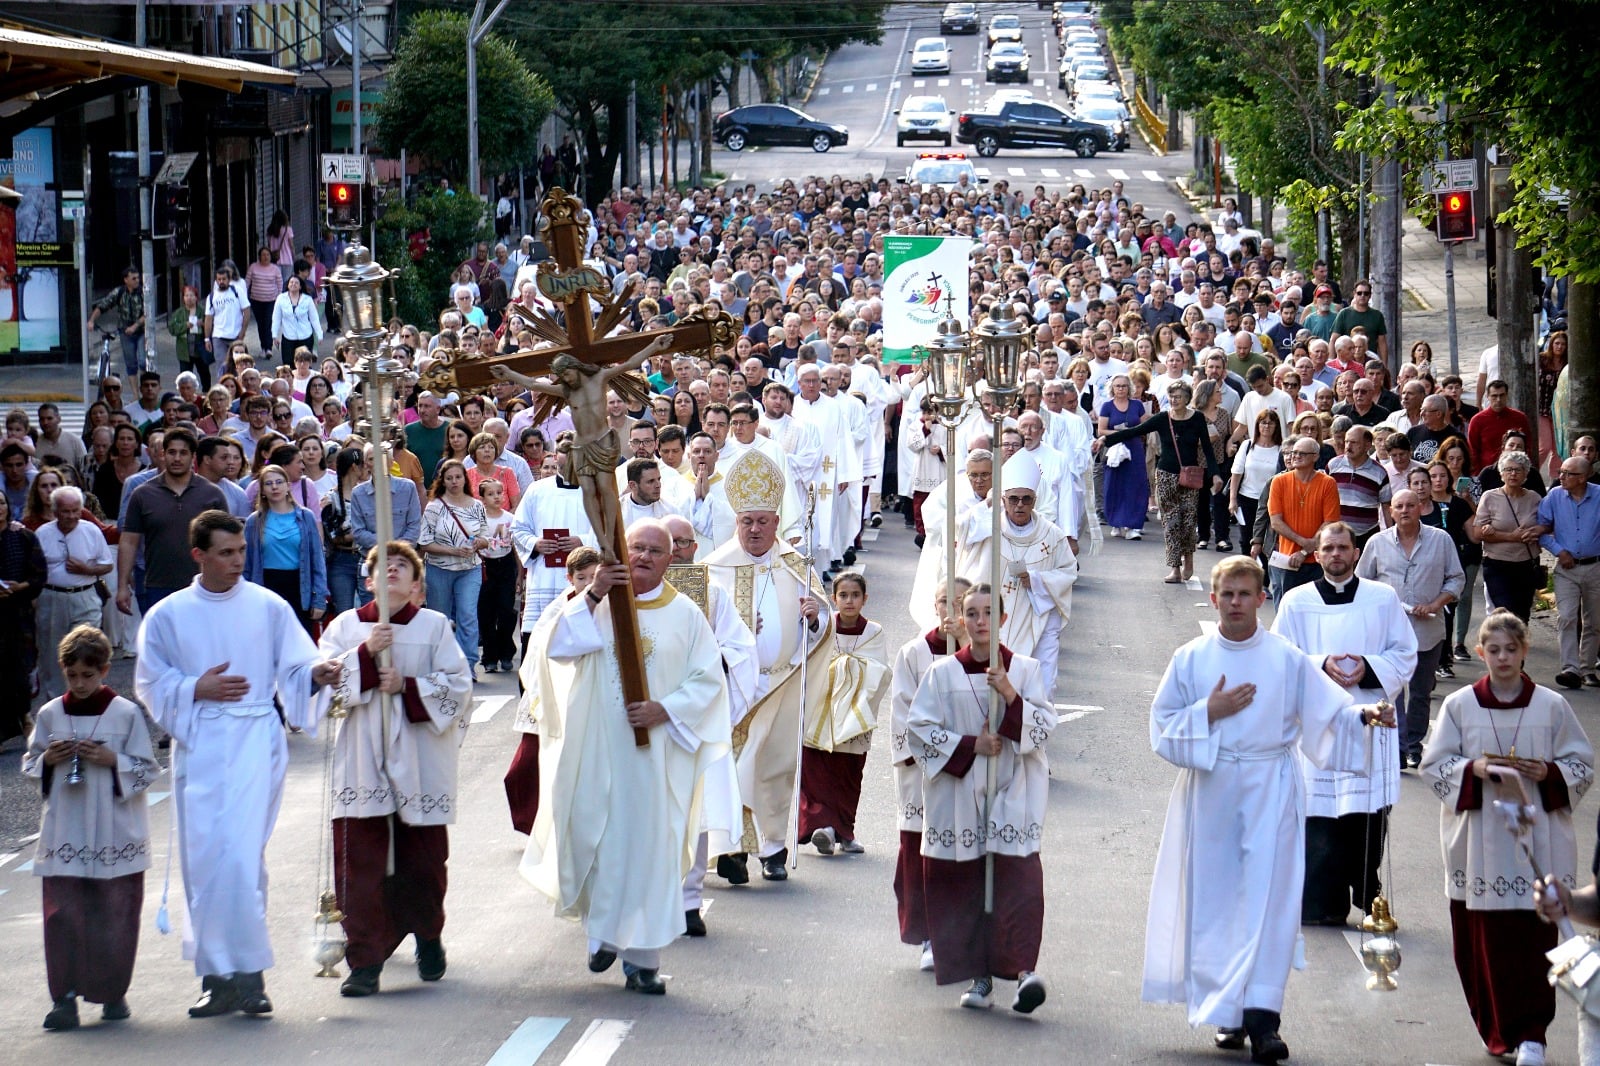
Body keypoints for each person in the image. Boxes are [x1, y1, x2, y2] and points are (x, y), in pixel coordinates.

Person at [1143, 556, 1396, 1063]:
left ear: (1263, 599)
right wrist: (1206, 713)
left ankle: (1264, 1020)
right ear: (1213, 600)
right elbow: (1161, 727)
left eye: (1245, 594)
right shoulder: (1190, 658)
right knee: (1217, 902)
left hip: (1272, 789)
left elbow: (1328, 710)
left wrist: (1363, 714)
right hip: (1212, 791)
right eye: (1227, 595)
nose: (1236, 603)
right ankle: (1227, 1015)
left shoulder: (1285, 658)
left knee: (1271, 903)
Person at [134, 510, 342, 1018]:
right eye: (225, 553)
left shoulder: (267, 605)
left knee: (242, 857)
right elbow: (148, 681)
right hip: (201, 742)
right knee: (204, 860)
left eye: (241, 552)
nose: (236, 562)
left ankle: (251, 978)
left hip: (253, 738)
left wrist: (317, 673)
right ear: (198, 556)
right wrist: (192, 687)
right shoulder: (168, 614)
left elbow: (295, 666)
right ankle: (214, 980)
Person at [520, 519, 731, 994]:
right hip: (597, 745)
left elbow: (708, 681)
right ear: (622, 550)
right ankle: (602, 933)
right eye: (636, 547)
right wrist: (593, 594)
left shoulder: (686, 615)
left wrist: (665, 709)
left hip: (654, 756)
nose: (644, 557)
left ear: (669, 559)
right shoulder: (595, 604)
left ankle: (643, 959)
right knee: (596, 837)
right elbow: (553, 650)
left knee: (648, 848)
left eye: (655, 551)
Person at [1420, 609, 1594, 1066]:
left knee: (1533, 941)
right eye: (1493, 650)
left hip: (1538, 841)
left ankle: (1532, 1034)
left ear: (1523, 653)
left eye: (1511, 649)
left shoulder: (1552, 706)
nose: (1502, 657)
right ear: (1480, 653)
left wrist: (1549, 771)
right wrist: (1473, 769)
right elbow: (1433, 766)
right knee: (1480, 943)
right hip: (1478, 842)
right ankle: (1495, 1026)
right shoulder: (1459, 706)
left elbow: (1582, 766)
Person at [318, 542, 473, 997]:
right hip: (362, 753)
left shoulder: (434, 626)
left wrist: (405, 685)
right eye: (381, 567)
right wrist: (365, 655)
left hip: (419, 752)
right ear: (367, 580)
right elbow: (325, 686)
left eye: (401, 567)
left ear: (417, 584)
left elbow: (459, 687)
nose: (391, 573)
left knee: (422, 859)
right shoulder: (345, 626)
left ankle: (427, 934)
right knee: (358, 863)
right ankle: (364, 960)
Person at [907, 583, 1055, 1013]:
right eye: (972, 613)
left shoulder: (1025, 670)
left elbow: (1045, 727)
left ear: (1004, 619)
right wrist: (972, 744)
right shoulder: (941, 675)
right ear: (961, 619)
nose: (980, 621)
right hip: (959, 792)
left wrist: (1010, 694)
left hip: (1012, 789)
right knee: (967, 887)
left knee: (1018, 882)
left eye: (990, 613)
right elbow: (920, 730)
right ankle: (981, 978)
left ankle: (1024, 971)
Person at [1271, 523, 1417, 925]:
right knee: (1318, 814)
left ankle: (1367, 892)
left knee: (1366, 813)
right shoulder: (1297, 602)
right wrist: (1322, 665)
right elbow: (1281, 657)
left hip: (1370, 717)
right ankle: (1321, 903)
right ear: (1316, 555)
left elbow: (1406, 652)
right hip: (1318, 722)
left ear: (1356, 553)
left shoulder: (1383, 598)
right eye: (1328, 548)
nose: (1335, 554)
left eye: (1343, 547)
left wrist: (1368, 669)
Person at [704, 447, 833, 883]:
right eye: (747, 521)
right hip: (733, 688)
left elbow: (825, 622)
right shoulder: (714, 569)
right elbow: (696, 630)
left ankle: (774, 849)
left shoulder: (797, 565)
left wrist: (816, 617)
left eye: (762, 521)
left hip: (781, 683)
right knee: (735, 768)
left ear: (777, 523)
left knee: (775, 769)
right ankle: (734, 851)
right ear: (735, 521)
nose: (754, 529)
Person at [24, 625, 158, 1031]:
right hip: (67, 828)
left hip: (115, 829)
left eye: (89, 675)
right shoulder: (50, 715)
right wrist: (49, 759)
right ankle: (64, 997)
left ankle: (112, 992)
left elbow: (148, 769)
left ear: (104, 670)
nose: (80, 684)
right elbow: (30, 764)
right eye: (72, 676)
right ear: (64, 672)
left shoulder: (125, 714)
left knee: (114, 913)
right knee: (62, 914)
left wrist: (112, 760)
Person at [889, 578, 969, 973]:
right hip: (923, 774)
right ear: (933, 605)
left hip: (969, 771)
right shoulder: (914, 653)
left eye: (961, 603)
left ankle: (959, 932)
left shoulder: (986, 655)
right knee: (920, 851)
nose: (951, 610)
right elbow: (903, 713)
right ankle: (927, 934)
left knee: (962, 853)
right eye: (944, 601)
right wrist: (930, 757)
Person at [1356, 489, 1465, 767]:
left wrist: (1436, 603)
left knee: (1419, 691)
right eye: (1399, 506)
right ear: (1391, 511)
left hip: (1427, 630)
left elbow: (1456, 578)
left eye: (1410, 506)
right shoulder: (1377, 543)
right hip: (1386, 633)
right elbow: (1360, 583)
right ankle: (1397, 747)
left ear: (1421, 508)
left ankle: (1414, 745)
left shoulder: (1441, 540)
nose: (1404, 511)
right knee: (1391, 691)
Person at [957, 450, 1077, 698]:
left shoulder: (1051, 535)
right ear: (1004, 499)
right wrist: (988, 504)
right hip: (991, 620)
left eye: (1026, 499)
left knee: (1039, 687)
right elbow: (961, 530)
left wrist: (1035, 579)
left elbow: (1068, 571)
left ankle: (1031, 732)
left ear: (1035, 499)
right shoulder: (988, 526)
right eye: (1013, 499)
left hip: (1035, 618)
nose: (1019, 505)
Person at [507, 546, 601, 836]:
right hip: (551, 694)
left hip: (591, 698)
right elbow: (540, 648)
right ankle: (534, 823)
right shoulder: (559, 608)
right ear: (569, 578)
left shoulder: (610, 605)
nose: (587, 584)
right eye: (582, 577)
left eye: (594, 577)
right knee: (527, 765)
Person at [1094, 381, 1223, 584]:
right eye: (1171, 397)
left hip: (1190, 476)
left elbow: (1207, 448)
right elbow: (1134, 431)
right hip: (1165, 475)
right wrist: (1105, 440)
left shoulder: (1197, 418)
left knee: (1188, 521)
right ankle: (1174, 567)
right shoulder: (1163, 418)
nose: (1174, 401)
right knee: (1170, 522)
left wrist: (1215, 475)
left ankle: (1188, 556)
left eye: (1178, 397)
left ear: (1187, 399)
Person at [800, 572, 890, 856]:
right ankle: (822, 827)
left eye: (855, 596)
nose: (849, 601)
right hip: (820, 709)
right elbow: (810, 659)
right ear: (833, 598)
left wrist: (847, 666)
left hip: (854, 712)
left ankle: (845, 831)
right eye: (843, 596)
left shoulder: (874, 632)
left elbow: (880, 669)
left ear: (865, 599)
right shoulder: (824, 626)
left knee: (848, 774)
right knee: (817, 771)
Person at [35, 486, 116, 701]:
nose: (71, 516)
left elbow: (107, 565)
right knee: (53, 654)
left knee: (86, 648)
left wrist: (87, 570)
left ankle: (88, 698)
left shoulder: (91, 530)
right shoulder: (42, 534)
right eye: (65, 511)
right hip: (52, 599)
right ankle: (57, 703)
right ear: (55, 511)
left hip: (85, 596)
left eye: (75, 511)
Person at [418, 459, 489, 672]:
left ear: (464, 478)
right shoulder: (434, 507)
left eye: (458, 477)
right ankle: (442, 664)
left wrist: (478, 543)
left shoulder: (477, 505)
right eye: (449, 478)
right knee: (440, 618)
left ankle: (467, 665)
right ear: (443, 481)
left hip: (470, 568)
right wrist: (453, 551)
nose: (454, 481)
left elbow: (486, 536)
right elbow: (424, 542)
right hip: (439, 569)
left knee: (468, 615)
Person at [242, 464, 328, 634]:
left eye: (279, 482)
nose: (274, 487)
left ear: (288, 486)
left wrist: (319, 598)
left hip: (299, 586)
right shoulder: (254, 521)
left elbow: (317, 559)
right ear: (262, 490)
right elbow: (246, 564)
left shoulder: (305, 517)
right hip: (266, 585)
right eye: (268, 483)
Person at [1098, 373, 1150, 538]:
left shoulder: (1137, 405)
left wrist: (1133, 432)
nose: (1120, 389)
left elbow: (1145, 425)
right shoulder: (1107, 406)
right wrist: (1120, 432)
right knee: (1114, 485)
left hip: (1134, 449)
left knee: (1135, 486)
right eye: (1117, 386)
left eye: (1124, 386)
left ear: (1129, 388)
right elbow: (1101, 430)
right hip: (1115, 449)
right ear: (1112, 388)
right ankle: (1116, 522)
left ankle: (1132, 525)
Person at [87, 267, 146, 377]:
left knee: (143, 362)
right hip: (125, 332)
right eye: (134, 278)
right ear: (126, 280)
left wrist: (135, 326)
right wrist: (91, 320)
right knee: (131, 365)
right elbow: (103, 306)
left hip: (141, 331)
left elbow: (148, 313)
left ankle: (144, 386)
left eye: (138, 278)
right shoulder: (119, 292)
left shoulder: (143, 293)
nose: (137, 280)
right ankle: (135, 394)